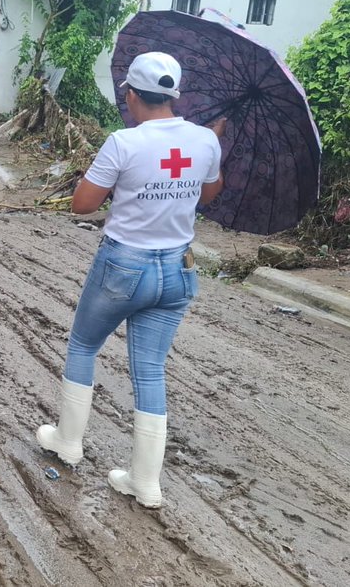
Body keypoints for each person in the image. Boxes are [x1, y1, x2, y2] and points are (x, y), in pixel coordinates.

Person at [35, 52, 223, 509]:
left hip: (125, 265)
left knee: (83, 346)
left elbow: (82, 204)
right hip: (178, 269)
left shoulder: (123, 142)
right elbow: (209, 194)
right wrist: (208, 149)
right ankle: (146, 482)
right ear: (173, 94)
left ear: (133, 94)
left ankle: (68, 442)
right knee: (150, 370)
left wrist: (120, 182)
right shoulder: (205, 140)